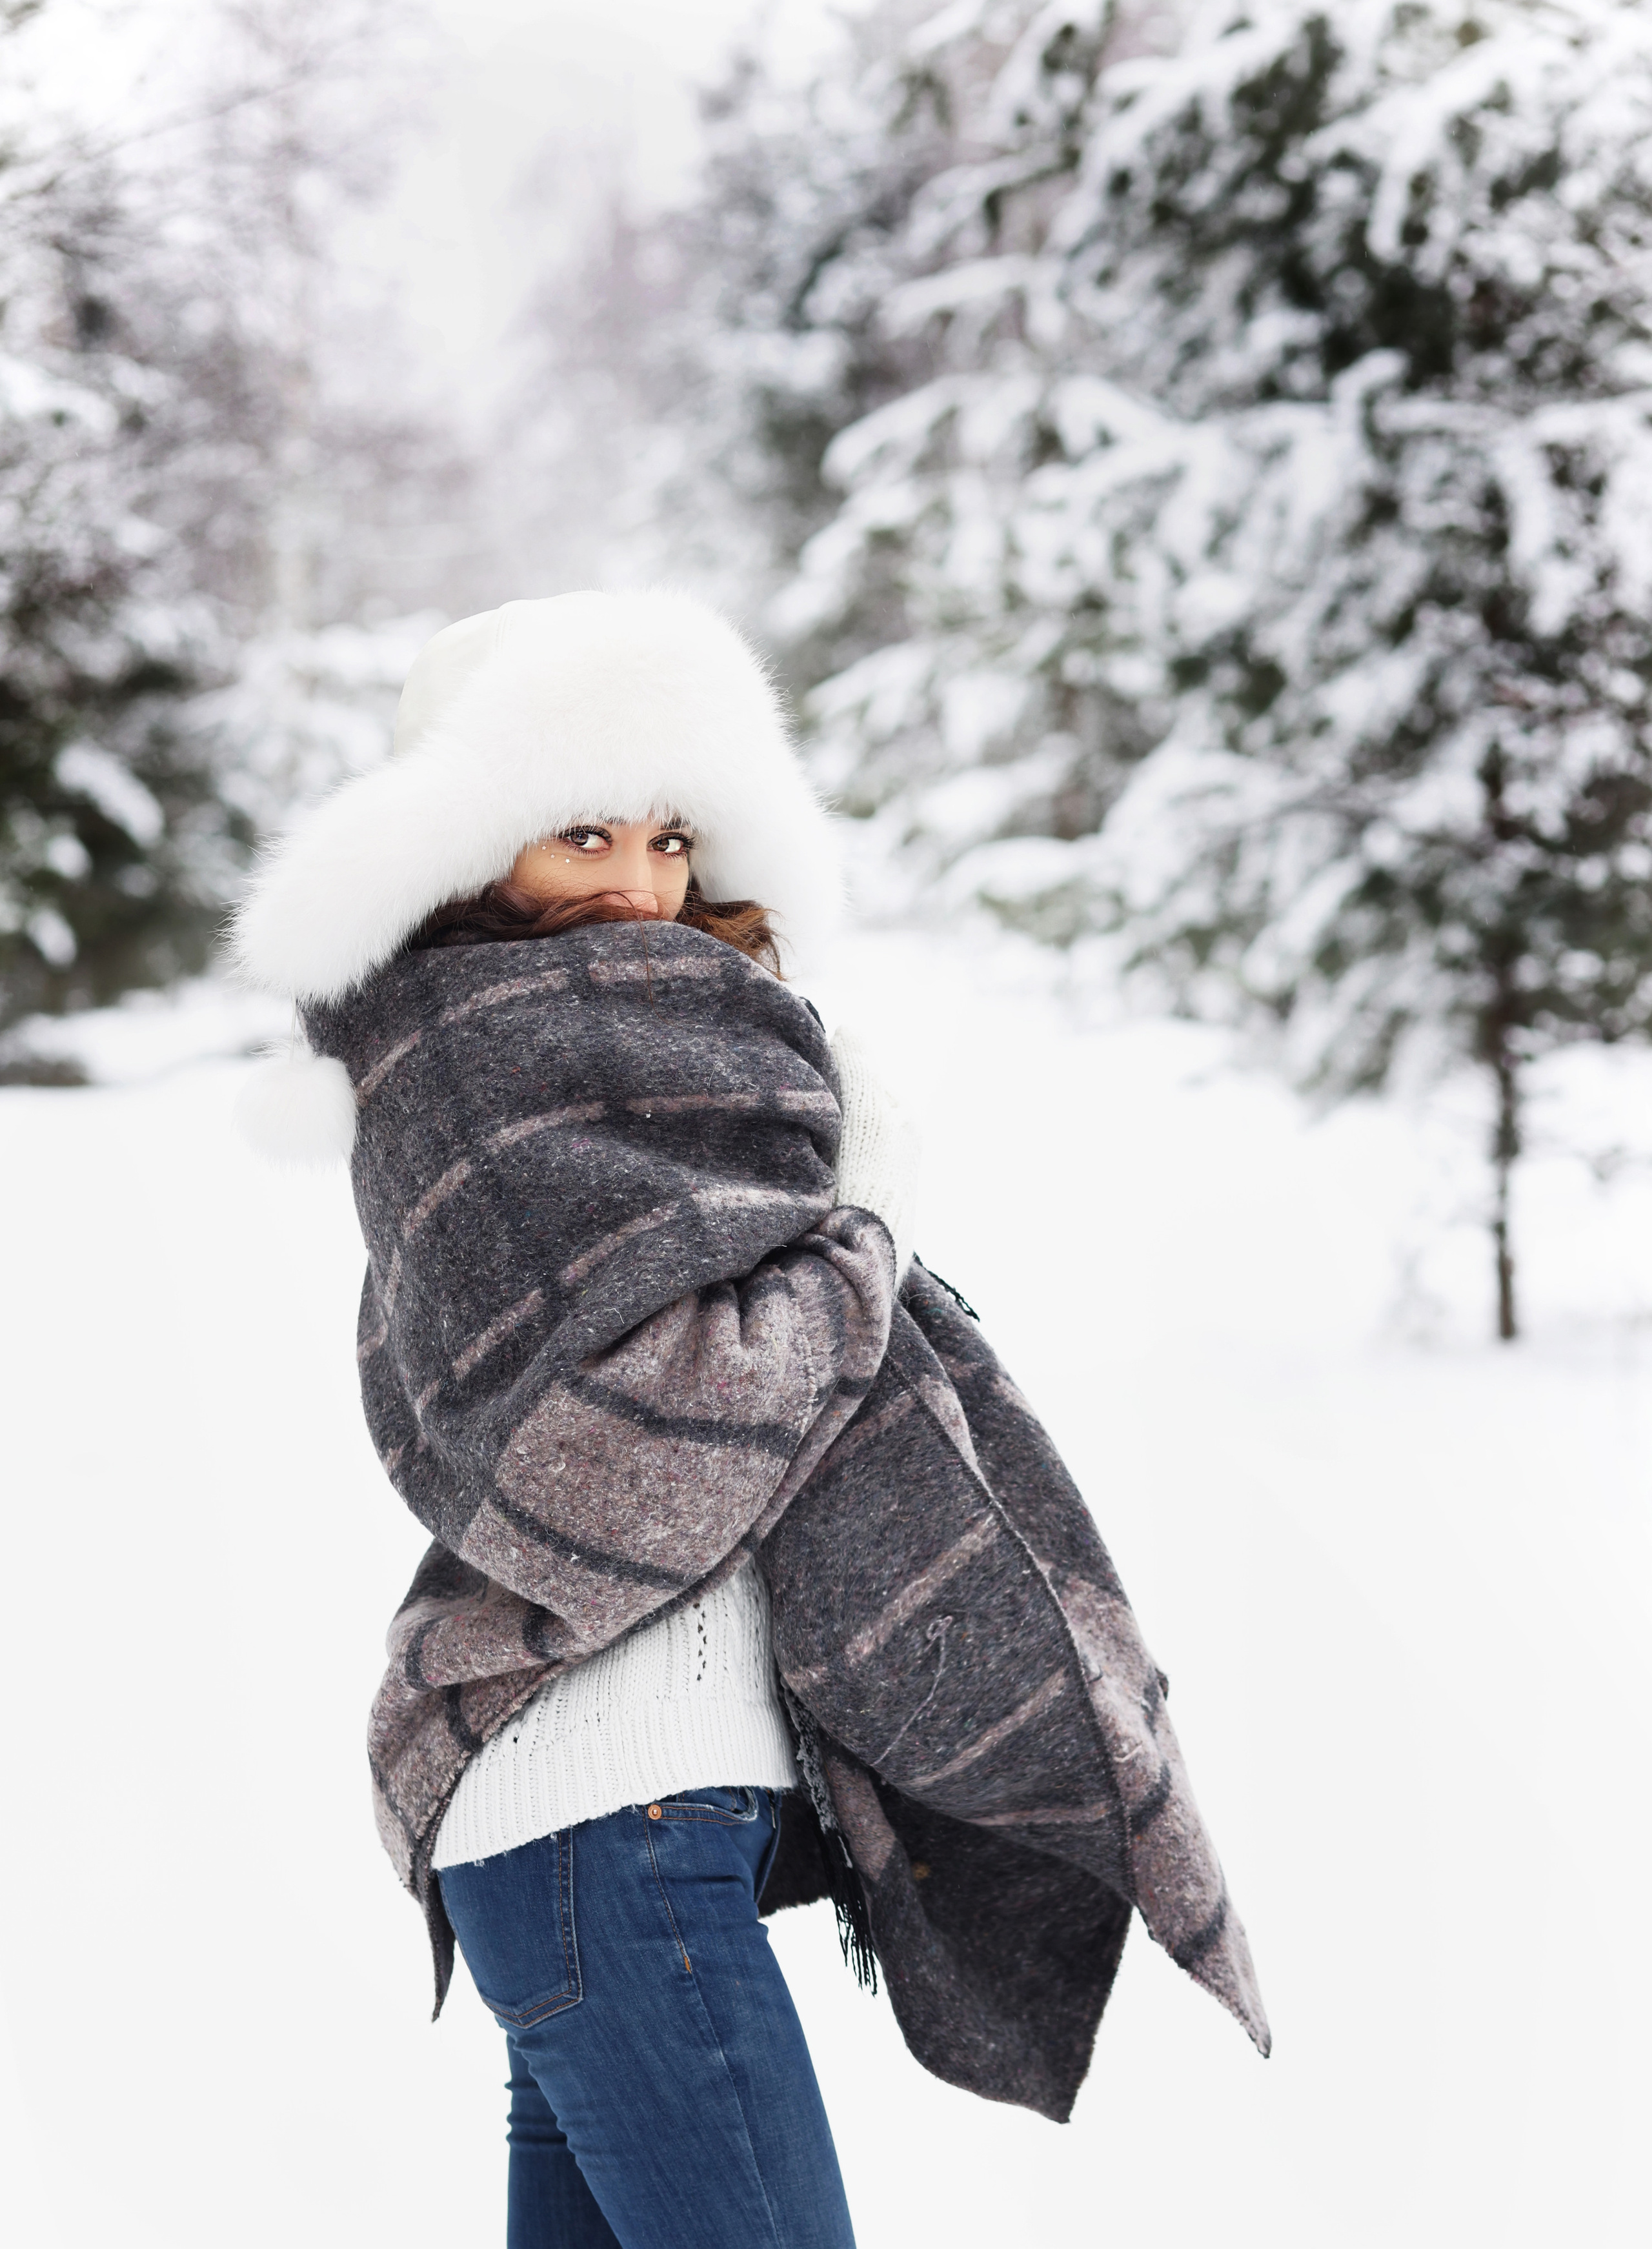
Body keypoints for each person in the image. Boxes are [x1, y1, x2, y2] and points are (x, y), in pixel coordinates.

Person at [232, 590, 1268, 2249]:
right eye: (579, 832)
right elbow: (640, 1451)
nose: (639, 883)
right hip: (607, 1819)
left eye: (670, 834)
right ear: (473, 849)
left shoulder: (651, 1058)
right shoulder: (479, 1077)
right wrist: (863, 1228)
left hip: (600, 1833)